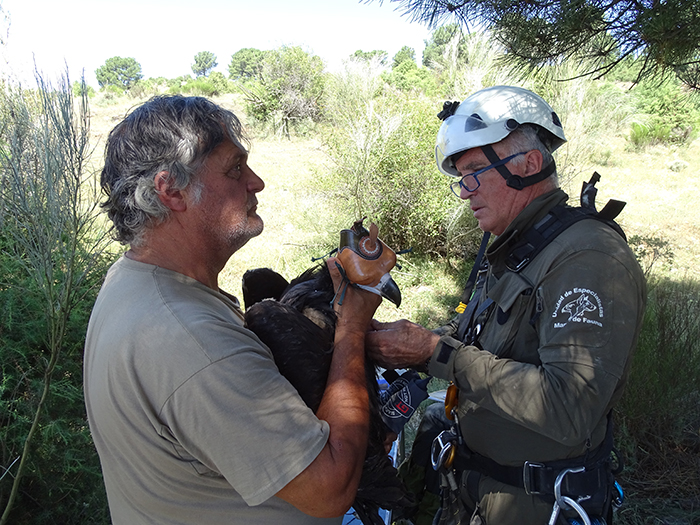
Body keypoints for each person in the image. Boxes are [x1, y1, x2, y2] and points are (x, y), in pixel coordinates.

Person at [83, 95, 382, 525]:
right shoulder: (193, 341)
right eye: (235, 169)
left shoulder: (131, 283)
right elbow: (330, 489)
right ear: (172, 191)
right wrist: (352, 325)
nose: (256, 182)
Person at [366, 86, 646, 525]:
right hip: (474, 490)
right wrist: (413, 341)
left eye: (474, 172)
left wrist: (435, 353)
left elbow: (568, 407)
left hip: (534, 505)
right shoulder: (519, 249)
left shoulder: (586, 257)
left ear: (528, 164)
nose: (463, 192)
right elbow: (479, 343)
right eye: (461, 177)